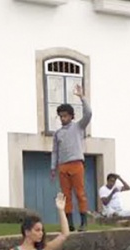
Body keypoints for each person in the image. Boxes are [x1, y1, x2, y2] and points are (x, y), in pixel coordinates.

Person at [51, 84, 92, 232]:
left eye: (65, 116)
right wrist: (53, 167)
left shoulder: (79, 127)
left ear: (71, 116)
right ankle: (69, 223)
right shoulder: (58, 133)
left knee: (80, 194)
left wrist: (82, 97)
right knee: (66, 196)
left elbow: (89, 113)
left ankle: (83, 222)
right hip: (63, 165)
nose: (63, 118)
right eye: (61, 116)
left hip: (76, 164)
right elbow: (55, 151)